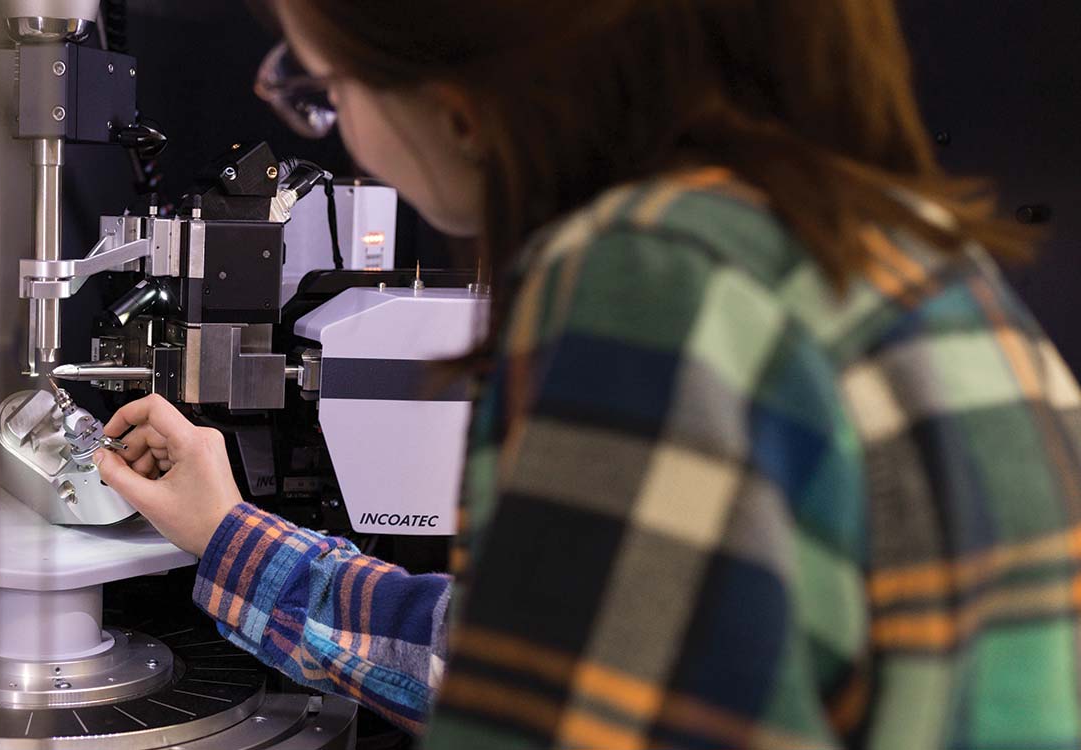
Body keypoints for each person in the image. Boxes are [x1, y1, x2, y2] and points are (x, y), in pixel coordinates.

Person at [91, 1, 1081, 748]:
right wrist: (227, 534)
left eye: (327, 89)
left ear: (457, 83)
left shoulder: (655, 276)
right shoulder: (909, 256)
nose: (344, 131)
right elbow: (506, 651)